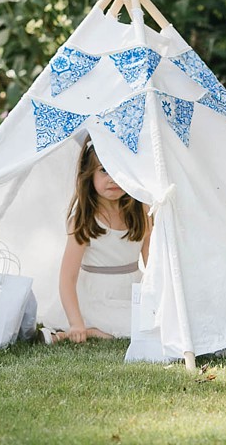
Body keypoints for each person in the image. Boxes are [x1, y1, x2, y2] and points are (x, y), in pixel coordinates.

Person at [50, 138, 151, 343]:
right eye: (104, 170)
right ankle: (88, 329)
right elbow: (67, 278)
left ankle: (93, 331)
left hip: (131, 290)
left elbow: (150, 260)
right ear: (89, 174)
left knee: (152, 323)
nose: (112, 179)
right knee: (131, 326)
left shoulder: (141, 211)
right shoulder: (84, 219)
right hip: (96, 296)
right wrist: (76, 321)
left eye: (118, 170)